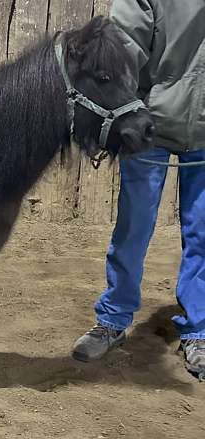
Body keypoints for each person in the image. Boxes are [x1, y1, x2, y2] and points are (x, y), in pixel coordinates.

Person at [72, 0, 205, 377]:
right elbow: (122, 46)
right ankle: (113, 319)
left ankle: (199, 329)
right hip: (149, 126)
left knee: (203, 233)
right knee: (133, 228)